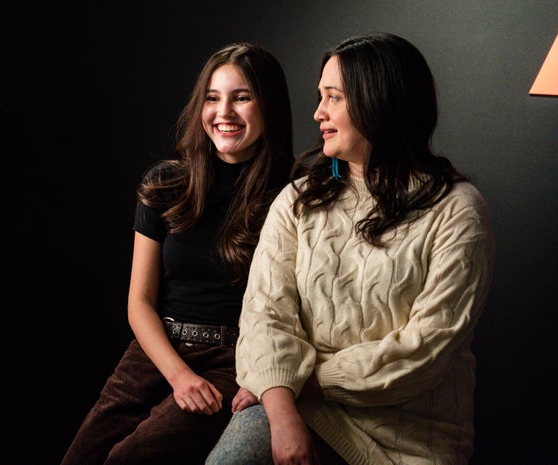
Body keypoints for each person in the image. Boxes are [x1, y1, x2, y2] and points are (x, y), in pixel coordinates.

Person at [206, 32, 496, 465]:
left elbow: (425, 349)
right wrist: (283, 412)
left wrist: (302, 380)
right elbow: (265, 316)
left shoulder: (457, 210)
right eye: (320, 97)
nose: (318, 112)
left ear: (381, 102)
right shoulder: (298, 200)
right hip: (297, 407)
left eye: (334, 98)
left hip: (410, 436)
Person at [59, 42, 295, 465]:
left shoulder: (293, 193)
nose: (224, 112)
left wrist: (265, 376)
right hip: (155, 350)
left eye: (241, 98)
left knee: (129, 458)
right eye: (212, 98)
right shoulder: (166, 184)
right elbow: (139, 302)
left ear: (269, 106)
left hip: (234, 360)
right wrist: (179, 374)